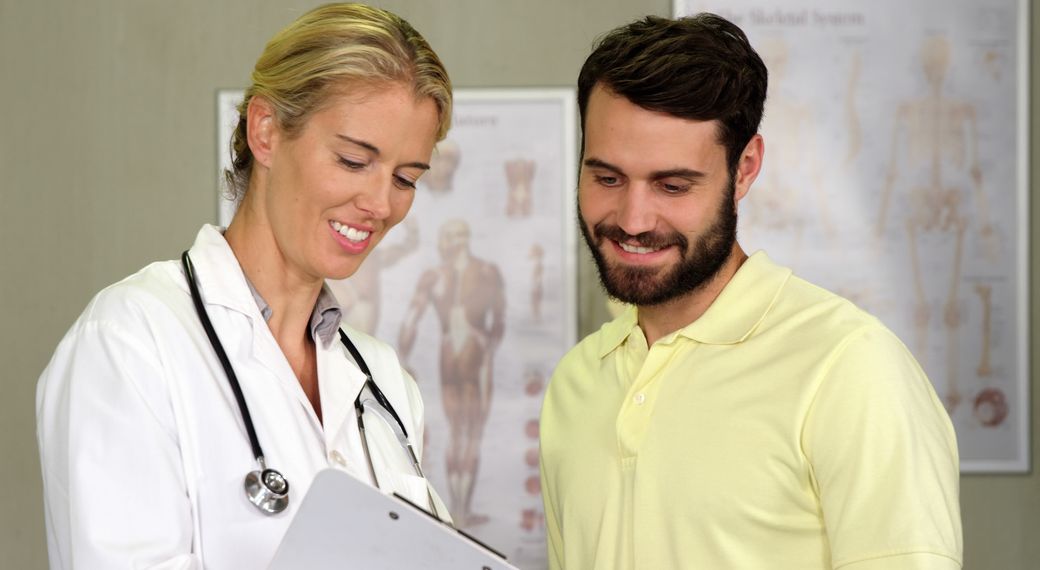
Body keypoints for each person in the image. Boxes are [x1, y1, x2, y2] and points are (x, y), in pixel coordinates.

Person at [36, 4, 453, 568]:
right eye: (354, 160)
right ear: (266, 130)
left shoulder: (384, 384)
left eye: (406, 179)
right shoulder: (131, 342)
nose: (381, 205)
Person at [539, 14, 963, 569]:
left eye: (672, 185)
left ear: (745, 170)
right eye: (607, 178)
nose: (633, 219)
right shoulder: (577, 381)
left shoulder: (850, 368)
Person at [398, 218, 506, 526]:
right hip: (472, 349)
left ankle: (458, 510)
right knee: (468, 433)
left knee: (462, 433)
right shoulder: (482, 272)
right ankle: (460, 510)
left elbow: (410, 320)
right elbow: (498, 320)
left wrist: (404, 356)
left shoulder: (437, 276)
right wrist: (487, 346)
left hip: (453, 349)